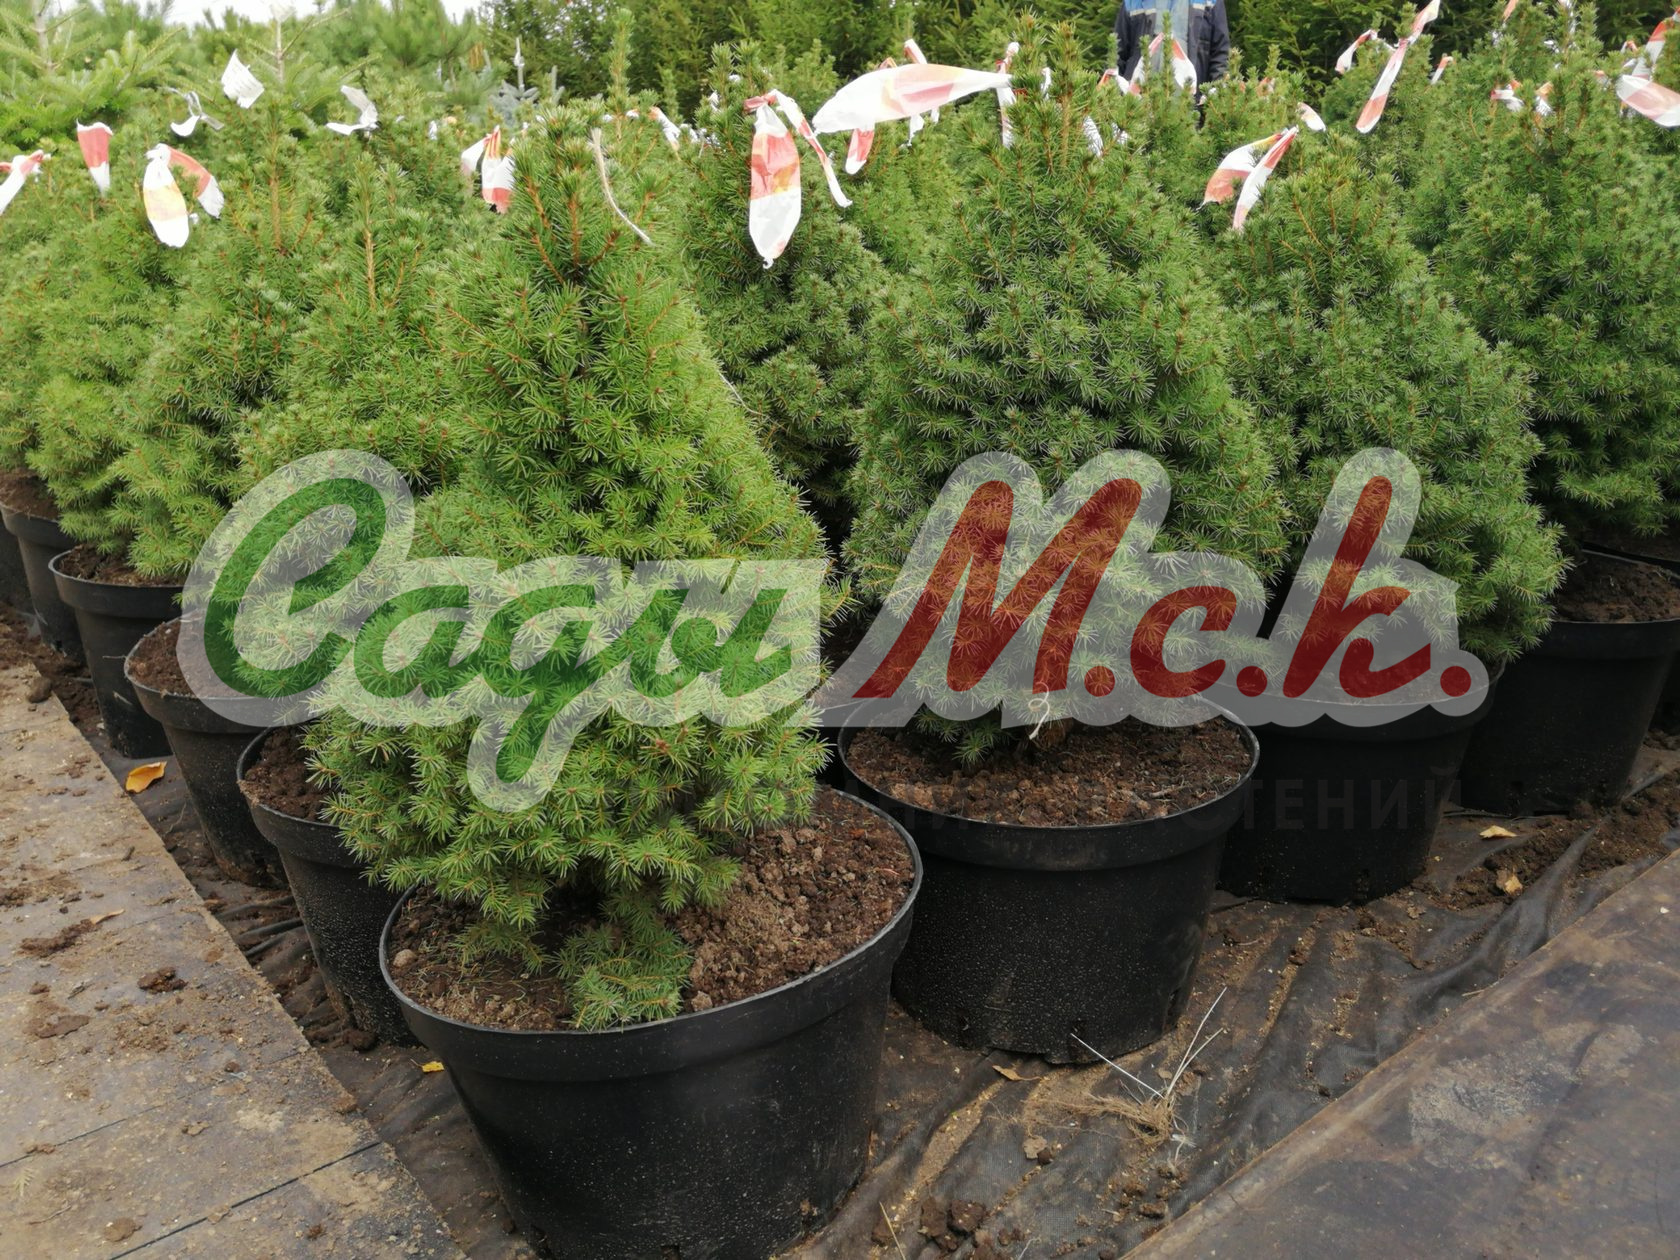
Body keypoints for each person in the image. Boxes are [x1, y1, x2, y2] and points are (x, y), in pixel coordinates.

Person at [1114, 0, 1231, 87]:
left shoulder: (1211, 2)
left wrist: (1218, 93)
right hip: (1141, 101)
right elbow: (1117, 54)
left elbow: (1220, 53)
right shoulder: (1132, 2)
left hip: (1188, 101)